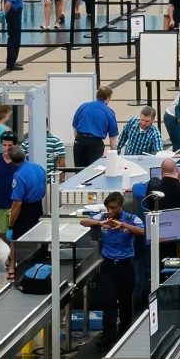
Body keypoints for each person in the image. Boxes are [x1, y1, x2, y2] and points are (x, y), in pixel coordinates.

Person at [82, 191, 144, 343]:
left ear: (121, 207)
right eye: (108, 208)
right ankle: (108, 336)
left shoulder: (131, 218)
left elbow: (142, 231)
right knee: (108, 302)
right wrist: (100, 223)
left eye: (113, 208)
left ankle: (125, 334)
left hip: (126, 265)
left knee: (125, 302)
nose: (110, 211)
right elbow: (84, 221)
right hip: (108, 265)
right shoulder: (103, 218)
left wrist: (124, 225)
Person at [72, 85, 119, 169]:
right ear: (108, 98)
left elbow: (75, 127)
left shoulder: (83, 106)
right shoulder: (109, 112)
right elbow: (113, 138)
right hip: (95, 144)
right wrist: (114, 156)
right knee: (93, 171)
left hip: (80, 141)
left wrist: (78, 140)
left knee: (79, 171)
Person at [0, 0, 26, 72]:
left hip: (12, 13)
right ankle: (11, 63)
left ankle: (13, 60)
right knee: (14, 38)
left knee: (13, 37)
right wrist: (5, 12)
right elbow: (9, 2)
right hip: (14, 13)